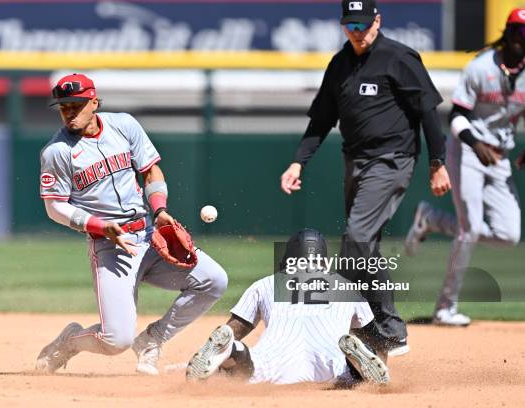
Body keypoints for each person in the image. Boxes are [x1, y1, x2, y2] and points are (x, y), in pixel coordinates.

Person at [280, 0, 451, 356]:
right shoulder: (340, 64)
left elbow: (428, 113)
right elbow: (321, 121)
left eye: (362, 25)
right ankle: (368, 333)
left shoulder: (399, 57)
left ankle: (389, 329)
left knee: (356, 239)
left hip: (392, 160)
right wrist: (298, 163)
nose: (357, 33)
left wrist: (438, 162)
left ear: (378, 20)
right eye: (350, 26)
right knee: (359, 251)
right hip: (354, 161)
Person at [35, 73, 228, 375]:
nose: (69, 112)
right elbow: (54, 207)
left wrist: (160, 210)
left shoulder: (123, 125)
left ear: (94, 102)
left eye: (76, 105)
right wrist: (98, 225)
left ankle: (153, 339)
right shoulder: (57, 151)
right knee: (115, 340)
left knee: (214, 280)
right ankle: (70, 342)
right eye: (64, 107)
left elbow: (151, 172)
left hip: (148, 235)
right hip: (111, 247)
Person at [404, 8, 525, 326]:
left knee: (510, 235)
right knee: (469, 228)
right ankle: (445, 307)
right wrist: (476, 144)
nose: (520, 39)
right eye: (517, 31)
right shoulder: (481, 67)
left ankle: (431, 219)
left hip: (499, 157)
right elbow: (454, 115)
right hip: (469, 151)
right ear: (507, 32)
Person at [185, 229, 390, 386]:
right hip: (329, 361)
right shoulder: (346, 286)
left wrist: (220, 362)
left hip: (276, 359)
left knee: (248, 366)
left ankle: (233, 351)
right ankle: (355, 366)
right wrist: (380, 356)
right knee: (351, 369)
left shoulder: (265, 284)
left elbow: (234, 329)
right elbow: (375, 337)